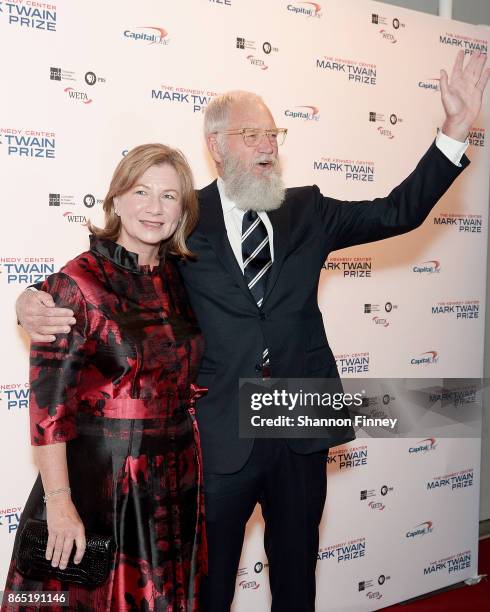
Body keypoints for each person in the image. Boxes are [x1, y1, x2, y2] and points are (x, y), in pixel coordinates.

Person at [16, 50, 489, 611]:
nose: (268, 145)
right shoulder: (183, 216)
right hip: (217, 432)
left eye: (274, 134)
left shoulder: (309, 209)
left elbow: (397, 211)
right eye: (251, 134)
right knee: (209, 586)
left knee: (297, 575)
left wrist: (455, 130)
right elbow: (117, 272)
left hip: (300, 416)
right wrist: (31, 300)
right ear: (216, 145)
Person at [5, 144, 207, 611]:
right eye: (140, 191)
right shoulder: (75, 284)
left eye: (169, 196)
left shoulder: (178, 278)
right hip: (102, 484)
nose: (154, 208)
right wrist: (59, 503)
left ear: (183, 212)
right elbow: (49, 411)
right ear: (115, 200)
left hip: (175, 482)